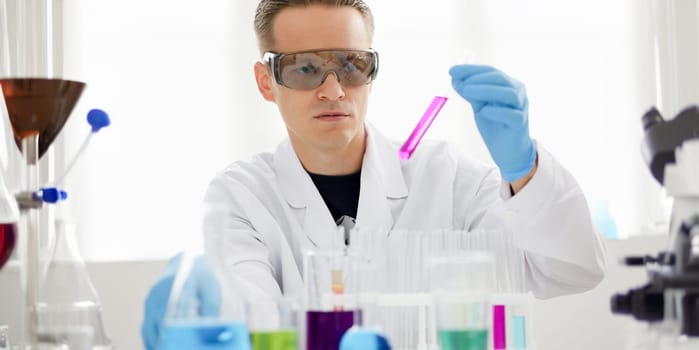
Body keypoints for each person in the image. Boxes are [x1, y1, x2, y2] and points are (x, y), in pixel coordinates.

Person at [141, 0, 607, 348]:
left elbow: (574, 268)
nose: (332, 89)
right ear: (267, 82)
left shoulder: (444, 176)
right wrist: (208, 309)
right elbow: (249, 315)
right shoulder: (243, 196)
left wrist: (524, 168)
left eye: (351, 64)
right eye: (305, 69)